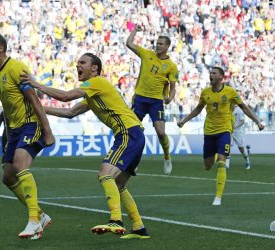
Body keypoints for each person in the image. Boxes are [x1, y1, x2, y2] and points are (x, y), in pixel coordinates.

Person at [20, 53, 150, 239]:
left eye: (82, 62)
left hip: (128, 133)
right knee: (119, 183)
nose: (77, 65)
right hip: (133, 133)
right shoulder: (94, 92)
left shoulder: (96, 82)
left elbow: (65, 97)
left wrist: (36, 84)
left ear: (94, 68)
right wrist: (38, 109)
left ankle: (116, 220)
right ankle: (139, 227)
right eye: (77, 62)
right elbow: (70, 112)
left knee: (105, 173)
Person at [0, 33, 55, 240]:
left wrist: (47, 130)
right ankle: (40, 215)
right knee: (8, 176)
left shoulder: (17, 68)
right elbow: (6, 107)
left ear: (1, 49)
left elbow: (34, 99)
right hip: (14, 130)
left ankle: (34, 220)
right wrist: (7, 134)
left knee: (20, 164)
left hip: (31, 124)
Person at [177, 67, 264, 206]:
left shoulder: (230, 92)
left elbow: (245, 108)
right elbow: (198, 109)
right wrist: (183, 120)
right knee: (208, 165)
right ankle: (217, 154)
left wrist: (257, 121)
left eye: (213, 73)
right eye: (210, 73)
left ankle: (218, 196)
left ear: (221, 77)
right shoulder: (205, 92)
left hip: (225, 130)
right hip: (209, 131)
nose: (210, 75)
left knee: (222, 161)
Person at [126, 24, 179, 175]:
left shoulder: (171, 66)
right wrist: (135, 30)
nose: (158, 45)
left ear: (167, 46)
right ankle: (134, 161)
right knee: (133, 131)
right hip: (140, 99)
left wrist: (170, 97)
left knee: (161, 132)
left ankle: (167, 157)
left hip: (156, 101)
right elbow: (129, 43)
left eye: (161, 44)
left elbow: (173, 87)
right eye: (157, 42)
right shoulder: (146, 54)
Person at [226, 105, 251, 170]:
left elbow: (242, 121)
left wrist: (235, 126)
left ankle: (247, 161)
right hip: (230, 131)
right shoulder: (228, 109)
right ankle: (227, 164)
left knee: (241, 148)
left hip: (239, 132)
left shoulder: (239, 110)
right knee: (228, 146)